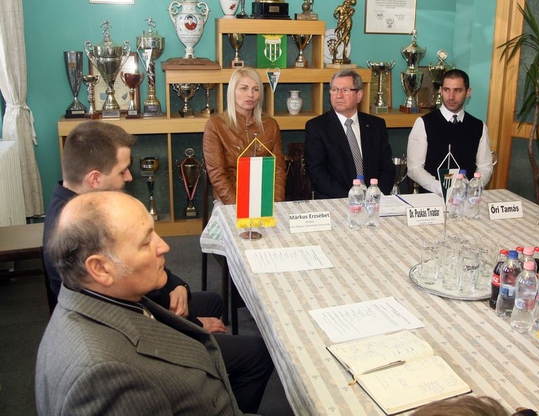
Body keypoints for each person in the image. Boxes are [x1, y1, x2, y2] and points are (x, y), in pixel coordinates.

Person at [43, 121, 273, 413]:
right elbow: (135, 307)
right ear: (95, 179)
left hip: (138, 314)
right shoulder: (102, 375)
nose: (129, 177)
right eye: (123, 171)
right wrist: (193, 326)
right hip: (141, 330)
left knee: (213, 301)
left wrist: (178, 285)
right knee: (257, 353)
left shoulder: (80, 212)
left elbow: (127, 280)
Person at [36, 191, 243, 415]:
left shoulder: (100, 295)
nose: (164, 246)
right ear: (101, 268)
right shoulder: (103, 377)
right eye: (146, 242)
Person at [305, 69, 395, 199]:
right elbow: (317, 172)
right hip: (335, 200)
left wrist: (376, 195)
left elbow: (387, 167)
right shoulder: (317, 127)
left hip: (373, 201)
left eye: (345, 90)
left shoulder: (376, 125)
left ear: (359, 95)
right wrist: (352, 198)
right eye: (334, 90)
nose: (339, 95)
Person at [204, 67, 286, 205]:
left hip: (264, 199)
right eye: (244, 88)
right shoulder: (215, 125)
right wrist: (238, 207)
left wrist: (275, 203)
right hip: (229, 201)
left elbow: (278, 170)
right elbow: (217, 174)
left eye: (255, 89)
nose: (250, 95)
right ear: (232, 91)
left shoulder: (271, 125)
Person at [406, 69, 494, 195]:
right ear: (441, 90)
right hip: (432, 197)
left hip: (466, 197)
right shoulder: (423, 123)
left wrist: (474, 185)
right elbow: (414, 168)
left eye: (457, 90)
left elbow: (485, 166)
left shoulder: (479, 126)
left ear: (468, 92)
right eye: (447, 90)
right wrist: (441, 188)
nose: (451, 97)